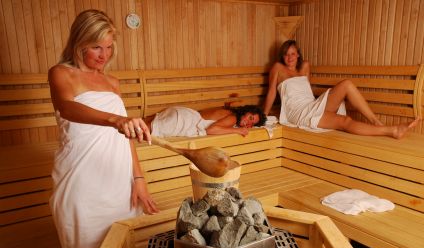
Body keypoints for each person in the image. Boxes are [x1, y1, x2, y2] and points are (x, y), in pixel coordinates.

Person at [48, 9, 159, 248]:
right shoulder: (62, 73)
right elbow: (68, 108)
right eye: (96, 47)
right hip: (83, 183)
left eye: (108, 47)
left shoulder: (112, 82)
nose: (104, 55)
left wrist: (139, 178)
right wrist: (115, 119)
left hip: (118, 182)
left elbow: (126, 135)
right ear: (79, 43)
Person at [263, 40, 420, 139]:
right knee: (344, 121)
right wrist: (264, 115)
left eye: (293, 53)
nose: (290, 57)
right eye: (286, 55)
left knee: (346, 84)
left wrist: (322, 103)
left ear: (298, 55)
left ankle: (376, 122)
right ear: (282, 57)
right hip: (298, 112)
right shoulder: (278, 68)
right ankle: (391, 131)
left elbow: (306, 92)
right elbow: (271, 93)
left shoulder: (305, 67)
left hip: (311, 104)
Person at [144, 105, 267, 137]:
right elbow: (211, 129)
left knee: (139, 124)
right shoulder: (233, 117)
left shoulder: (229, 113)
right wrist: (238, 130)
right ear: (246, 111)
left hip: (182, 114)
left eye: (252, 123)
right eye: (250, 118)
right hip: (183, 122)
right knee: (138, 130)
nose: (248, 123)